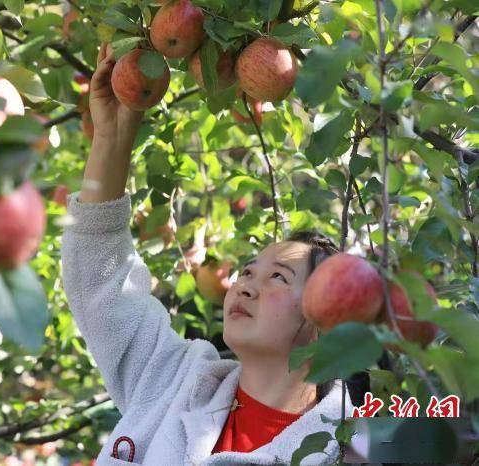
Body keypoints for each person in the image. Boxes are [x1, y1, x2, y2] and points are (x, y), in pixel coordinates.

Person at [60, 43, 370, 465]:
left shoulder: (344, 451)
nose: (245, 286)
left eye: (279, 276)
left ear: (325, 319)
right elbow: (100, 279)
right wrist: (113, 138)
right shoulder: (175, 379)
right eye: (247, 271)